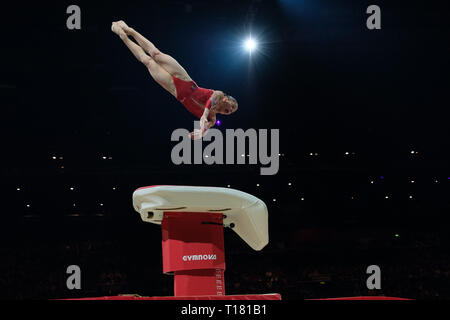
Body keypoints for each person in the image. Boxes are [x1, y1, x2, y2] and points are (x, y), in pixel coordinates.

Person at [111, 20, 238, 139]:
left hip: (175, 91)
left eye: (232, 111)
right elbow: (211, 100)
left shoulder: (213, 119)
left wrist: (200, 133)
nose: (230, 111)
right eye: (232, 107)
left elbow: (206, 128)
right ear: (226, 99)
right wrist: (204, 115)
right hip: (186, 80)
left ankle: (123, 36)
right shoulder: (219, 94)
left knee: (147, 61)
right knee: (155, 54)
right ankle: (130, 30)